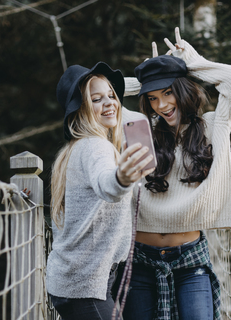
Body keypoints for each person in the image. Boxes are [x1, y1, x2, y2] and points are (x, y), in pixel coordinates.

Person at [119, 28, 231, 320]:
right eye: (151, 97)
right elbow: (94, 95)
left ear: (183, 88)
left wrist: (190, 63)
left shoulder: (215, 125)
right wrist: (147, 77)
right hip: (139, 259)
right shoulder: (140, 129)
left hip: (191, 261)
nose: (161, 105)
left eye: (168, 92)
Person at [46, 61, 155, 320]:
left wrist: (152, 75)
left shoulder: (74, 148)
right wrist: (122, 178)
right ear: (80, 109)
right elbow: (107, 185)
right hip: (85, 284)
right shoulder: (97, 147)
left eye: (111, 95)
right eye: (96, 99)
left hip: (73, 280)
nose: (109, 103)